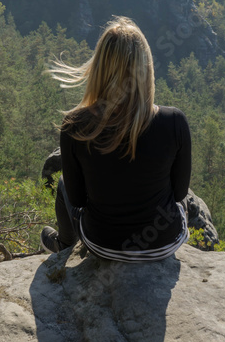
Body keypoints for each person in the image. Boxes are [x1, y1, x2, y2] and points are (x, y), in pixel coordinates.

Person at [41, 16, 190, 261]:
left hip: (102, 244)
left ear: (99, 68)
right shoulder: (174, 121)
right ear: (146, 69)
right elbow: (179, 194)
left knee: (63, 185)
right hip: (163, 245)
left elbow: (77, 200)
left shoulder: (75, 126)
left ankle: (64, 244)